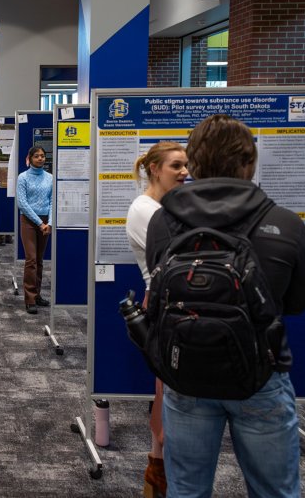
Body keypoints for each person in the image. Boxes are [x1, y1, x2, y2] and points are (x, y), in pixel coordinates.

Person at [146, 114, 305, 498]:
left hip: (185, 371)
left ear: (195, 163)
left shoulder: (163, 220)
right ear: (248, 162)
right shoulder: (285, 223)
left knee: (186, 489)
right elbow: (298, 303)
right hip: (261, 374)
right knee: (275, 491)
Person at [125, 141, 189, 498]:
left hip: (178, 306)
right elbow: (175, 263)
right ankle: (158, 477)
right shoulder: (145, 211)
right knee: (167, 401)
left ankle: (158, 474)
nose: (184, 172)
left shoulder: (170, 207)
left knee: (169, 397)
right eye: (176, 166)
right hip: (167, 307)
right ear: (154, 169)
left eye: (185, 165)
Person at [16, 146, 53, 313]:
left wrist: (49, 223)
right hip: (29, 221)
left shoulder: (50, 178)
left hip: (46, 222)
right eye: (37, 156)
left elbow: (53, 201)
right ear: (29, 158)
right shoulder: (22, 177)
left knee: (39, 259)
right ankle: (29, 298)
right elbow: (22, 203)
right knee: (30, 259)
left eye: (42, 156)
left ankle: (37, 294)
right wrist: (39, 223)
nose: (40, 158)